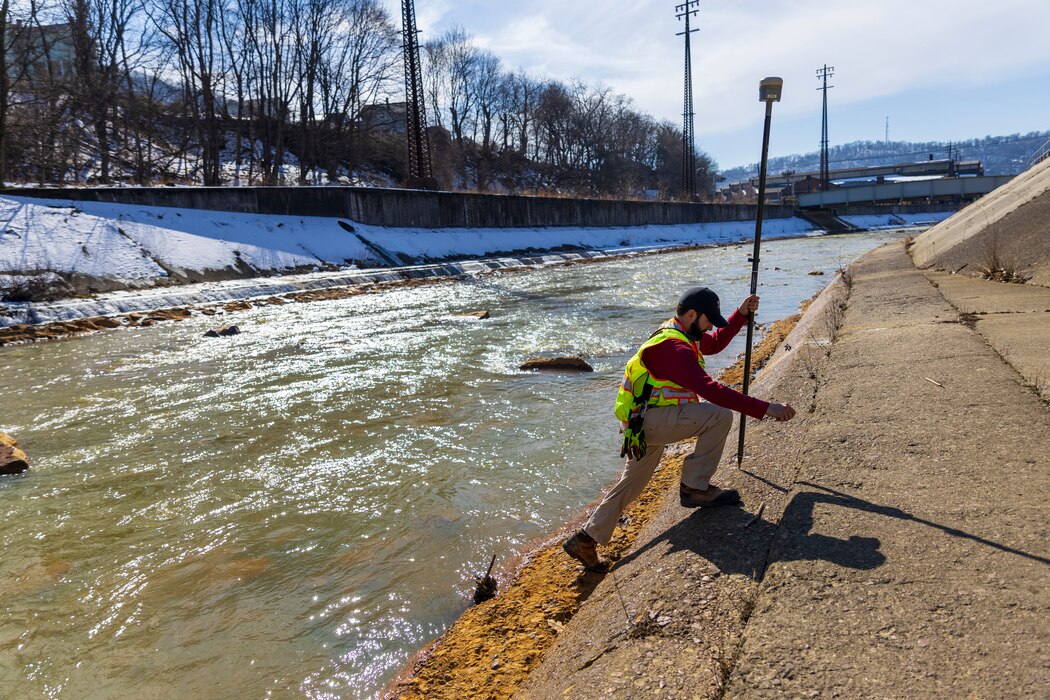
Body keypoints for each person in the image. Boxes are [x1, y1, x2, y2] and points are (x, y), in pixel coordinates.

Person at [563, 286, 796, 572]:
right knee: (719, 416)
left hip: (642, 423)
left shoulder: (681, 333)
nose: (710, 325)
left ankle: (585, 538)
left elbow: (715, 344)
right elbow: (711, 390)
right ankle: (695, 488)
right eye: (708, 320)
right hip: (653, 421)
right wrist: (765, 408)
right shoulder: (672, 347)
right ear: (691, 314)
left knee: (632, 483)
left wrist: (740, 315)